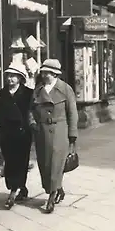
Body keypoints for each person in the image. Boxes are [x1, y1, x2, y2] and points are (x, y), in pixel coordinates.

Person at [29, 59, 78, 214]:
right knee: (44, 163)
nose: (44, 75)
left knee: (56, 162)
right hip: (41, 131)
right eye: (43, 72)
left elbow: (72, 113)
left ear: (55, 74)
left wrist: (72, 135)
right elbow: (30, 110)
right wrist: (32, 123)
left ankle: (52, 196)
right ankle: (57, 188)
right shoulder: (38, 90)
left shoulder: (65, 89)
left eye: (47, 73)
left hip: (59, 130)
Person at [0, 62, 33, 209]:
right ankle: (20, 187)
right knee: (10, 162)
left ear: (20, 78)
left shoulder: (28, 94)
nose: (10, 79)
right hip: (6, 133)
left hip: (23, 133)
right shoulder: (1, 95)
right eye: (8, 76)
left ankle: (14, 191)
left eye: (14, 76)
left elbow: (34, 114)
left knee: (21, 162)